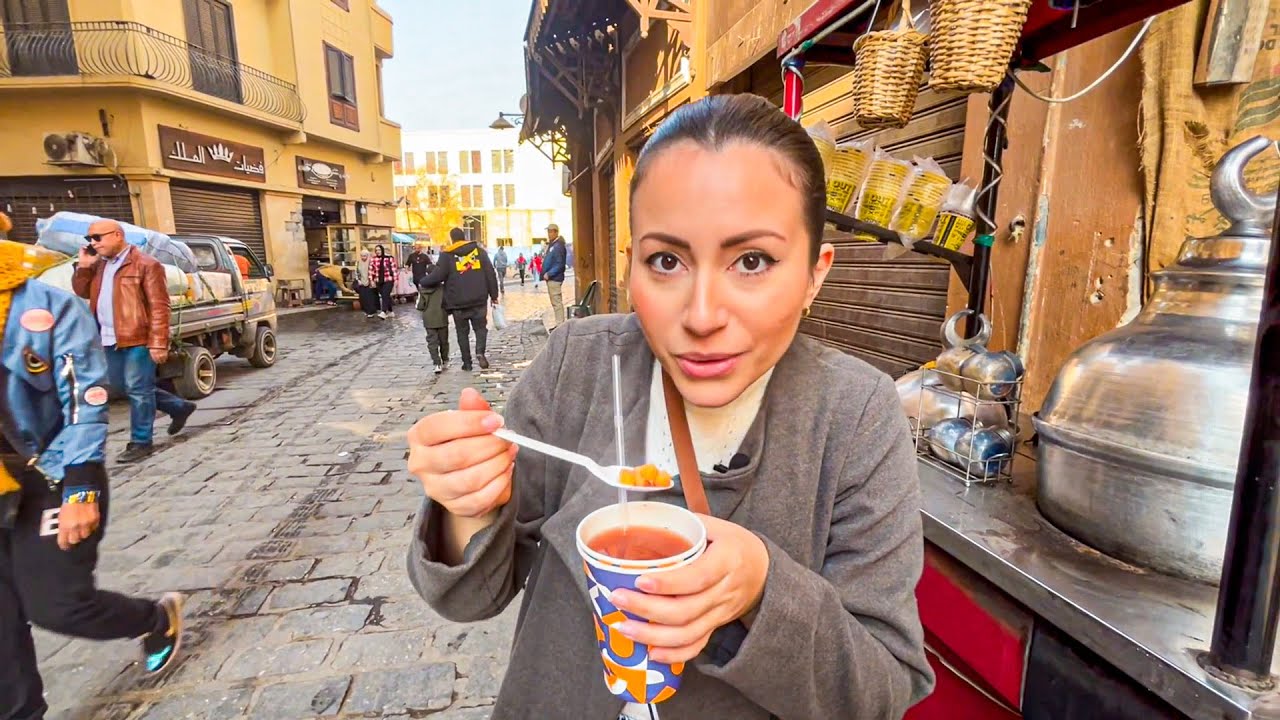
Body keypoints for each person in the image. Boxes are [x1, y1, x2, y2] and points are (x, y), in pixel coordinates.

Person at [404, 94, 933, 719]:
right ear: (632, 265)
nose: (702, 316)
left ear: (814, 274)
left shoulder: (855, 414)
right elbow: (468, 597)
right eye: (666, 261)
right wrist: (467, 505)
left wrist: (761, 588)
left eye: (752, 261)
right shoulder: (578, 366)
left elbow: (880, 691)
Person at [2, 239, 185, 720]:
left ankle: (154, 617)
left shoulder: (46, 307)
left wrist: (80, 488)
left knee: (57, 606)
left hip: (50, 472)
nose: (96, 244)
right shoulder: (93, 270)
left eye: (102, 238)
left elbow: (85, 400)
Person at [72, 219, 197, 464]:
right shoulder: (98, 266)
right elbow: (83, 292)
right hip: (108, 338)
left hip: (138, 337)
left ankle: (141, 442)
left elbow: (160, 306)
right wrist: (84, 267)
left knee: (138, 390)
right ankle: (178, 407)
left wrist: (158, 342)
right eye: (89, 239)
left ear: (117, 235)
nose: (93, 243)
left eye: (98, 237)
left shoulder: (146, 264)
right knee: (122, 387)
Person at [418, 228, 499, 372]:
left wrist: (422, 281)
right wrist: (494, 295)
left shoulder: (447, 255)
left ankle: (467, 363)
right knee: (480, 328)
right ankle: (480, 352)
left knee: (462, 333)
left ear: (452, 239)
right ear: (464, 237)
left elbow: (438, 275)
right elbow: (490, 273)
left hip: (458, 302)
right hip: (479, 299)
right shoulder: (479, 252)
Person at [416, 273, 450, 375]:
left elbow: (420, 306)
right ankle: (445, 360)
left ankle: (436, 363)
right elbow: (447, 301)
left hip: (429, 319)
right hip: (442, 317)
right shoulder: (442, 288)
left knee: (432, 342)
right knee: (444, 341)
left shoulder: (422, 289)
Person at [542, 224, 569, 326]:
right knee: (555, 302)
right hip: (552, 278)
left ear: (556, 232)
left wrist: (549, 273)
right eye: (548, 232)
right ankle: (559, 324)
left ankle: (560, 324)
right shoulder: (553, 245)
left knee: (557, 302)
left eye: (550, 232)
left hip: (554, 278)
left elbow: (560, 263)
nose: (549, 234)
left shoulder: (558, 246)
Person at [370, 245, 397, 320]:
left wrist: (396, 280)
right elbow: (371, 270)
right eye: (376, 250)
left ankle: (384, 311)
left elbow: (394, 269)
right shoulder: (374, 259)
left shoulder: (389, 258)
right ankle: (390, 311)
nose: (378, 251)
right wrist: (371, 280)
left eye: (379, 250)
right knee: (385, 296)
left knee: (385, 294)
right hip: (379, 280)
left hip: (388, 279)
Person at [354, 250, 377, 318]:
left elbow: (374, 272)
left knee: (370, 298)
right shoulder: (358, 263)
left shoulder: (371, 262)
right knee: (363, 298)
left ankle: (371, 311)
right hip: (362, 282)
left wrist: (373, 280)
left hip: (370, 282)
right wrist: (358, 280)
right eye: (361, 256)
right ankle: (366, 311)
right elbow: (357, 272)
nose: (363, 257)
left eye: (364, 256)